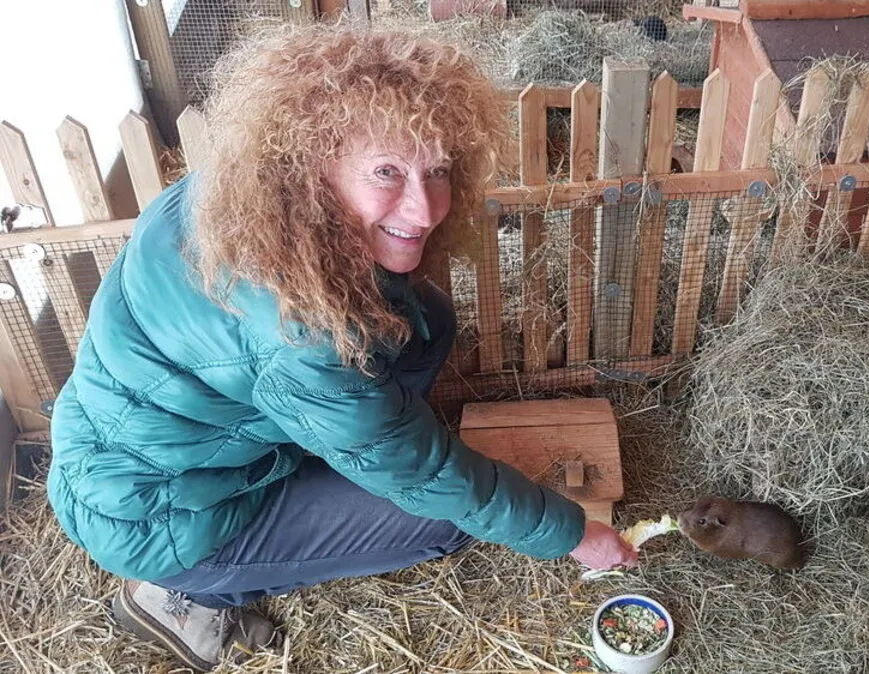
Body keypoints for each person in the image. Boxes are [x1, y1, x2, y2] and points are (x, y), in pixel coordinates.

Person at [46, 22, 637, 672]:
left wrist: (368, 430)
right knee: (443, 522)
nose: (424, 206)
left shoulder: (244, 197)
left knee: (425, 324)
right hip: (165, 515)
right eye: (386, 170)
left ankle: (347, 447)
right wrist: (574, 534)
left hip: (147, 440)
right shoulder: (305, 335)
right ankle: (180, 598)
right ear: (311, 161)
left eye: (437, 169)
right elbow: (425, 477)